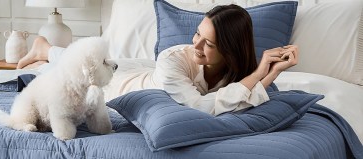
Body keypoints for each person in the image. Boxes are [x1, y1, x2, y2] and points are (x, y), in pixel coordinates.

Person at [17, 4, 298, 116]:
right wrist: (261, 72)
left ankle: (46, 50)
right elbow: (199, 107)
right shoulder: (172, 59)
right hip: (128, 85)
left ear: (230, 50)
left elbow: (240, 93)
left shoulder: (238, 70)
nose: (196, 44)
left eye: (209, 43)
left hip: (151, 74)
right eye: (197, 34)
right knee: (75, 72)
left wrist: (268, 75)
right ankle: (44, 49)